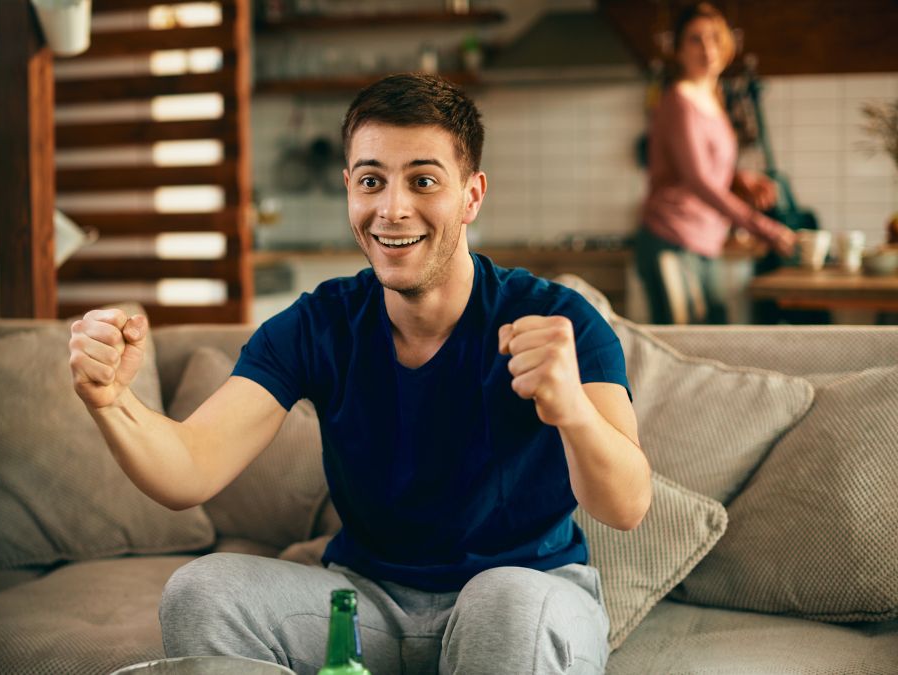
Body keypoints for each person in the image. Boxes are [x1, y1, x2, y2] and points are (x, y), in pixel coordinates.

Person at [69, 74, 652, 674]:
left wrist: (572, 412)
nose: (392, 208)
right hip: (368, 601)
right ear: (349, 188)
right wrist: (111, 399)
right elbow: (189, 466)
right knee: (202, 591)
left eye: (423, 181)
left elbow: (628, 506)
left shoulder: (561, 321)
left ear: (472, 195)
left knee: (501, 601)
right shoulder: (317, 325)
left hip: (526, 593)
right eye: (371, 181)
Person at [636, 2, 796, 324]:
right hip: (672, 237)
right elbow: (697, 179)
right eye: (695, 39)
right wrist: (763, 227)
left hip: (705, 240)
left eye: (713, 37)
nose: (707, 48)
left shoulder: (712, 98)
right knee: (683, 351)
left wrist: (739, 179)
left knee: (709, 338)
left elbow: (705, 169)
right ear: (678, 50)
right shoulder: (679, 100)